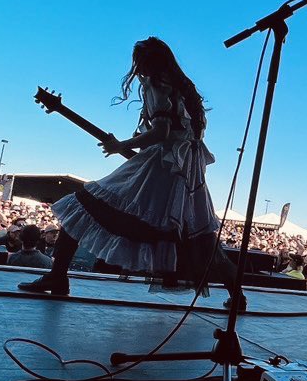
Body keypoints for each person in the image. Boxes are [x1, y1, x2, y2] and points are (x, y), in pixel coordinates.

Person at [17, 38, 245, 311]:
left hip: (164, 167)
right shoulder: (185, 90)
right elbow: (173, 133)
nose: (137, 70)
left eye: (139, 62)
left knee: (83, 205)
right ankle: (238, 297)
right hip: (186, 170)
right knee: (201, 238)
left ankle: (58, 277)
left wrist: (121, 145)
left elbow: (161, 133)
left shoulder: (156, 84)